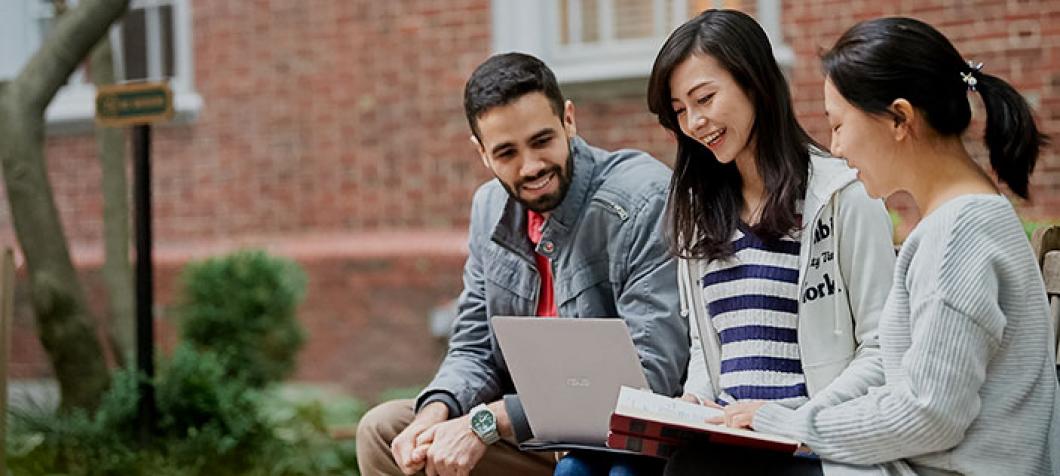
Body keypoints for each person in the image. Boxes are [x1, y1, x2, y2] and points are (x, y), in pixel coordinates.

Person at [718, 17, 1060, 475]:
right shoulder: (959, 221)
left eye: (839, 126)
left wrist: (791, 426)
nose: (835, 149)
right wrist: (793, 421)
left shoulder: (959, 235)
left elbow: (930, 415)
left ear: (899, 119)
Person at [356, 52, 689, 476]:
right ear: (482, 153)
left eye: (541, 141)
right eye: (507, 152)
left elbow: (649, 377)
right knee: (386, 431)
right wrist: (436, 411)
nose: (531, 166)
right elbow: (474, 345)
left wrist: (489, 421)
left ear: (569, 120)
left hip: (618, 439)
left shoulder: (641, 199)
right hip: (530, 432)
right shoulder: (489, 207)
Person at [643, 10, 897, 475]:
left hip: (814, 449)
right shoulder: (700, 215)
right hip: (727, 445)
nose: (695, 122)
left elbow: (883, 349)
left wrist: (794, 421)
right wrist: (694, 398)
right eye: (680, 110)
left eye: (704, 98)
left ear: (755, 82)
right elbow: (707, 349)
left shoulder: (843, 197)